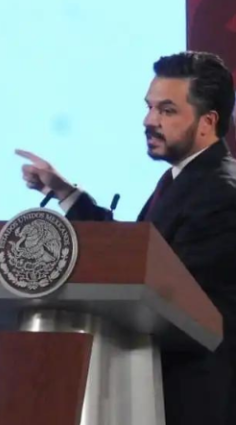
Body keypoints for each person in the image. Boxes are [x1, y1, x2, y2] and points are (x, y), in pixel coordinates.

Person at [16, 51, 236, 425]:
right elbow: (136, 256)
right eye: (149, 107)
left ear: (207, 122)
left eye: (167, 110)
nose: (149, 121)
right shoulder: (184, 177)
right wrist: (66, 194)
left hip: (192, 402)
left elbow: (180, 303)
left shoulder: (221, 192)